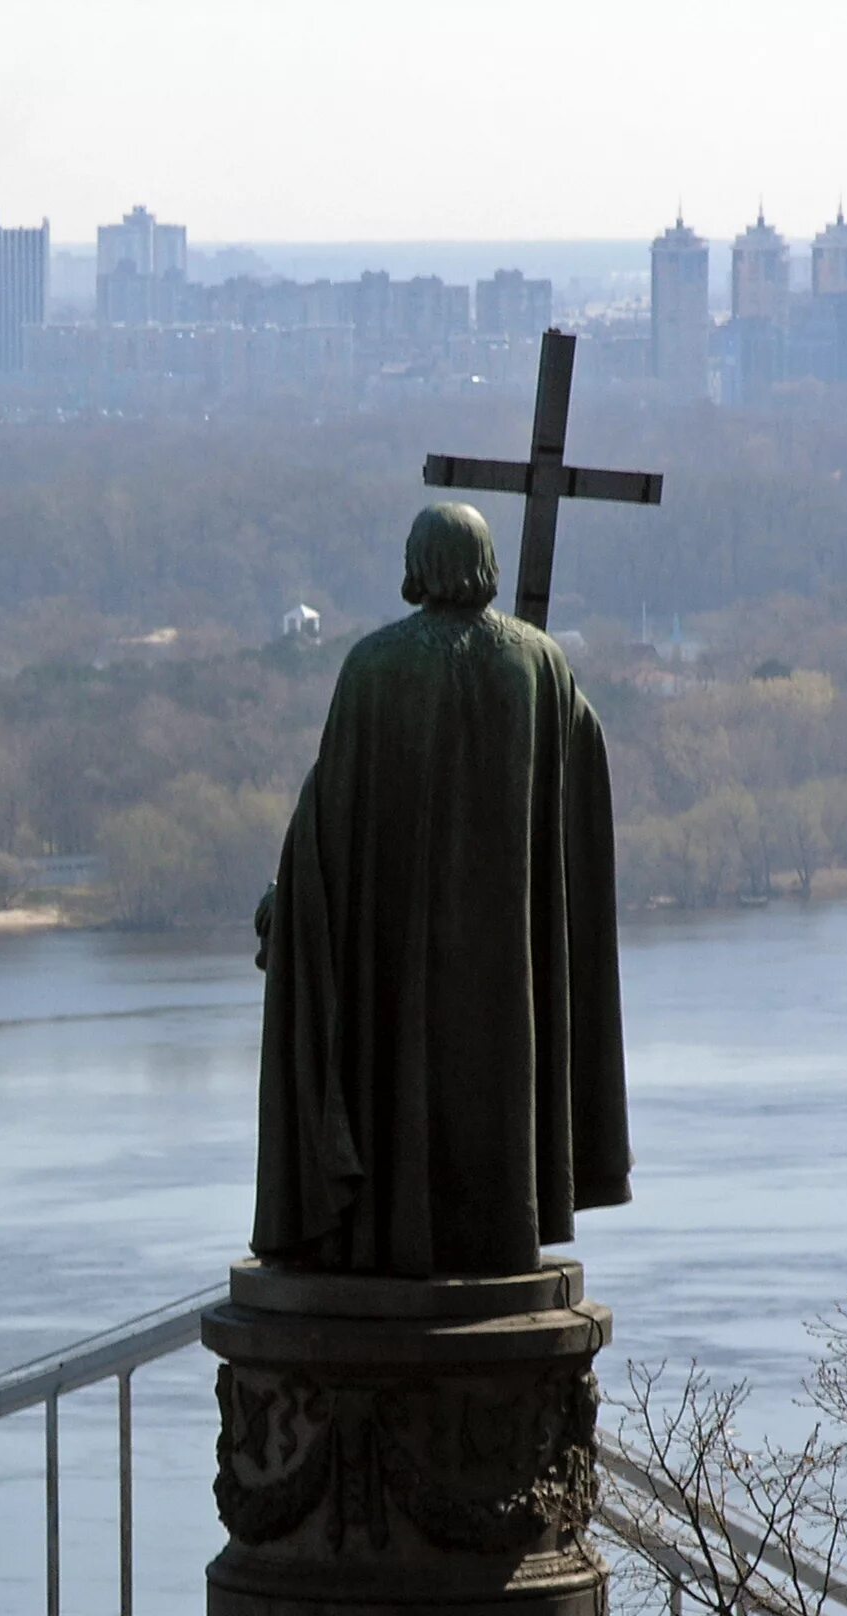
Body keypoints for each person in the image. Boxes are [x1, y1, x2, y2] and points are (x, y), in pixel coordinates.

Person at [251, 502, 631, 1276]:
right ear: (487, 566)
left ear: (416, 567)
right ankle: (498, 1233)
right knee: (498, 1084)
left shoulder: (374, 668)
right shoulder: (540, 665)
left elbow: (328, 817)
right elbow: (583, 766)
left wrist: (285, 906)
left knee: (399, 1078)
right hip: (509, 971)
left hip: (399, 962)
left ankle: (395, 1235)